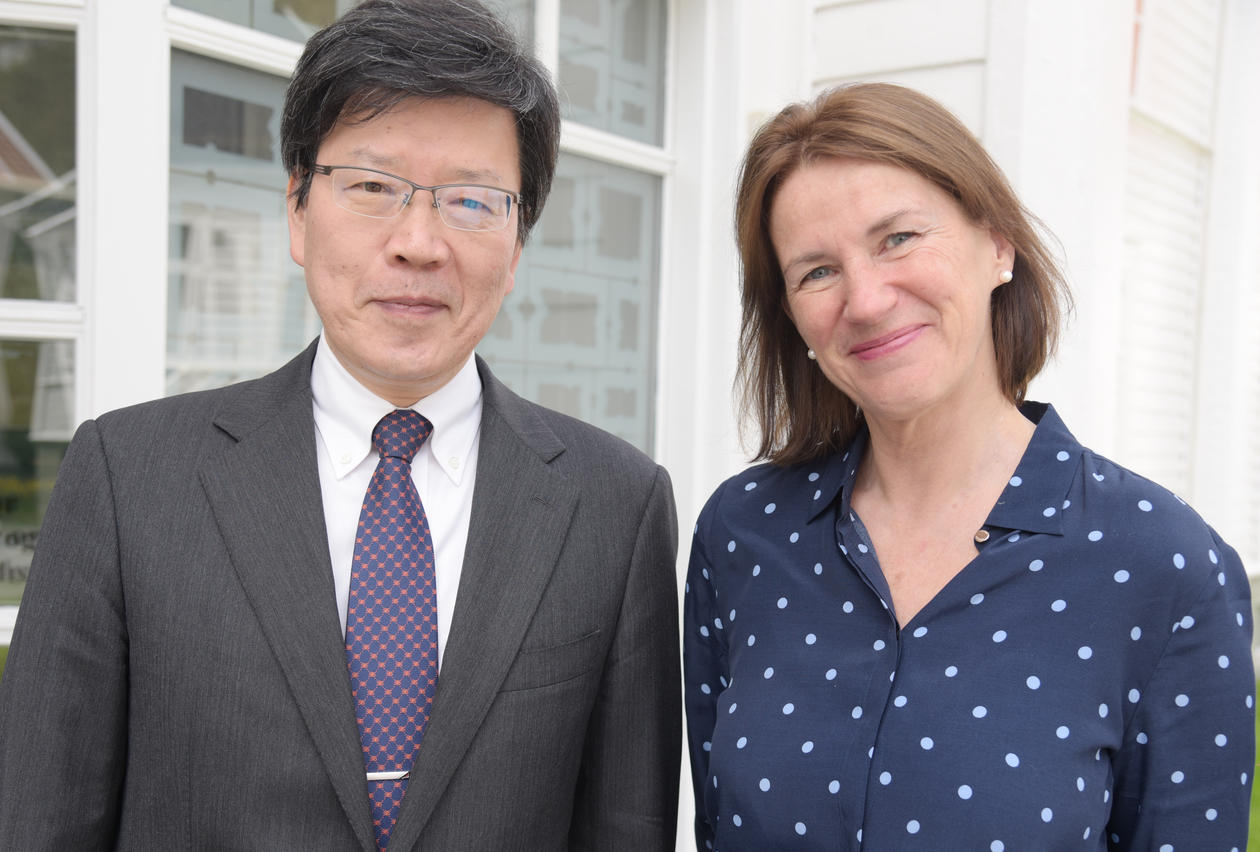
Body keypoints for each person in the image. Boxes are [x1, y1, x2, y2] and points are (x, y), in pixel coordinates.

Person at [0, 1, 680, 849]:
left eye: (472, 200)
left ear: (517, 246)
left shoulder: (615, 504)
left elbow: (626, 825)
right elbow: (41, 818)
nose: (418, 243)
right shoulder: (127, 476)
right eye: (372, 187)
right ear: (297, 207)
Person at [684, 82, 1253, 851]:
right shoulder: (742, 532)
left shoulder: (1164, 563)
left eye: (898, 238)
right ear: (792, 317)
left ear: (998, 245)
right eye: (816, 271)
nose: (866, 299)